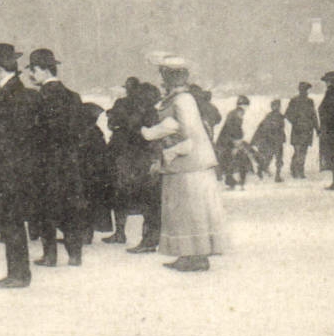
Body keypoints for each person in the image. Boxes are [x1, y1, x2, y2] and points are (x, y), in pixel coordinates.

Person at [139, 55, 228, 272]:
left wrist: (157, 136)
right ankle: (190, 255)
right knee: (186, 212)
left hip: (189, 165)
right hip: (185, 166)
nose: (162, 80)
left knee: (190, 211)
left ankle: (195, 257)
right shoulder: (178, 98)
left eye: (164, 75)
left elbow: (189, 135)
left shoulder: (183, 100)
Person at [0, 43, 41, 288]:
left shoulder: (3, 97)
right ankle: (18, 272)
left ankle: (19, 274)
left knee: (10, 222)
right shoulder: (25, 94)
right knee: (11, 222)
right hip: (19, 167)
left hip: (5, 169)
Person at [24, 48, 87, 267]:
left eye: (33, 70)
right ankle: (75, 255)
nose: (32, 75)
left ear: (41, 69)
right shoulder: (73, 96)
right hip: (69, 161)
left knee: (45, 207)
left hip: (44, 162)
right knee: (70, 207)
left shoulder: (39, 97)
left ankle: (50, 256)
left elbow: (34, 132)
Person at [105, 78, 158, 246]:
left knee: (119, 193)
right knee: (145, 194)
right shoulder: (150, 108)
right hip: (143, 152)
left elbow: (112, 124)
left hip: (122, 153)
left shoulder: (121, 103)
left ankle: (120, 233)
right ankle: (147, 236)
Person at [78, 101, 115, 245]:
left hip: (89, 173)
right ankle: (86, 234)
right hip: (95, 173)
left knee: (86, 203)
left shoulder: (87, 132)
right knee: (90, 203)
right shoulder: (95, 131)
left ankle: (85, 235)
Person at [284, 81, 319, 178]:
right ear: (300, 90)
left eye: (306, 90)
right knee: (298, 150)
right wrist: (295, 122)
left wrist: (317, 128)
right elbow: (287, 114)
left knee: (303, 151)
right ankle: (297, 170)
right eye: (303, 90)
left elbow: (313, 115)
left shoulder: (310, 101)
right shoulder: (294, 101)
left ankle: (297, 170)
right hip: (298, 130)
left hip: (307, 130)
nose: (305, 92)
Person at [215, 95, 250, 189]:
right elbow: (235, 128)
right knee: (235, 159)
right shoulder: (238, 113)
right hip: (229, 140)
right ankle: (236, 181)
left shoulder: (232, 113)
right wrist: (238, 139)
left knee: (228, 160)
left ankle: (231, 181)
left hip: (225, 140)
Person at [250, 98, 288, 181]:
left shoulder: (272, 116)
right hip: (274, 141)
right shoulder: (275, 116)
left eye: (278, 105)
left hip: (274, 141)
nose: (277, 107)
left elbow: (261, 127)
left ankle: (271, 174)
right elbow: (262, 128)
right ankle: (274, 175)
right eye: (275, 106)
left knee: (273, 158)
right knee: (275, 158)